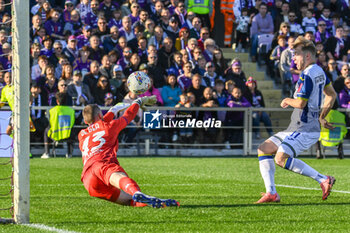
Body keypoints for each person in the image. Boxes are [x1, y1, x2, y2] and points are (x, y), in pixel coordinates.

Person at [256, 36, 337, 203]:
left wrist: (287, 100)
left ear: (307, 56)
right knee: (263, 149)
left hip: (304, 128)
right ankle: (271, 193)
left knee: (280, 158)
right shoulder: (319, 70)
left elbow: (300, 103)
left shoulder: (306, 75)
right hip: (300, 126)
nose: (293, 59)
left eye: (296, 54)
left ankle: (323, 179)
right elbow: (331, 94)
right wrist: (321, 117)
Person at [79, 95, 179, 207]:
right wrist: (138, 102)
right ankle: (136, 192)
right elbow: (128, 115)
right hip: (101, 163)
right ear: (99, 115)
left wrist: (113, 111)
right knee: (121, 180)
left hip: (88, 179)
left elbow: (97, 125)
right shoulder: (110, 126)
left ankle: (157, 202)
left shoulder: (82, 134)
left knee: (129, 201)